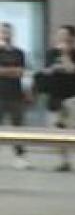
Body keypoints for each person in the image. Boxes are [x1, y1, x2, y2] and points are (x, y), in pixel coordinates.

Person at [39, 25, 75, 174]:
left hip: (73, 96)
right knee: (58, 130)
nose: (61, 38)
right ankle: (64, 162)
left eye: (64, 35)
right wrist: (53, 68)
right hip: (55, 96)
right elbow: (46, 70)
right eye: (59, 35)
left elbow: (72, 70)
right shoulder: (51, 53)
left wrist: (64, 54)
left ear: (73, 38)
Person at [0, 22, 29, 170]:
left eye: (8, 32)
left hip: (15, 94)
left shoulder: (19, 53)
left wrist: (5, 70)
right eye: (3, 32)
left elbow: (21, 72)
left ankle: (20, 157)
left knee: (18, 128)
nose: (5, 35)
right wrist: (12, 71)